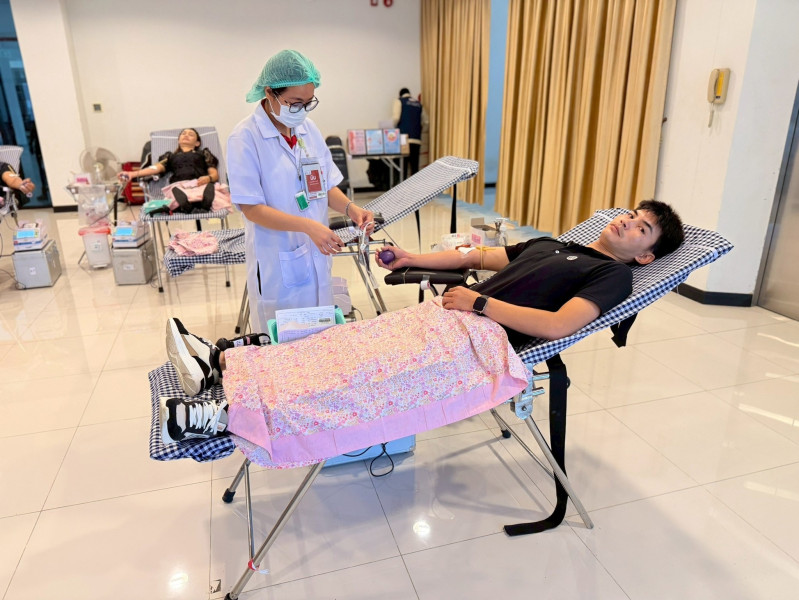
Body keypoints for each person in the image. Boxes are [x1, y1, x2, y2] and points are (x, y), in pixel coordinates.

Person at [159, 200, 684, 441]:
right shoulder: (551, 244)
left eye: (642, 229)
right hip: (451, 314)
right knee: (345, 342)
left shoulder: (612, 276)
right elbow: (478, 258)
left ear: (645, 256)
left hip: (482, 340)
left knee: (355, 374)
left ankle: (225, 415)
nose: (628, 223)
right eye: (631, 214)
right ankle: (222, 363)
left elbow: (558, 326)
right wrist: (412, 258)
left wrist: (480, 305)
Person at [226, 49, 374, 333]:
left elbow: (325, 185)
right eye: (295, 103)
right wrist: (308, 227)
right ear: (269, 93)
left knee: (319, 336)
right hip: (277, 260)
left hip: (316, 253)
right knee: (283, 341)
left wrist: (351, 209)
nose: (302, 111)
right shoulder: (245, 138)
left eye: (308, 103)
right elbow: (251, 208)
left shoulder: (308, 129)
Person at [117, 128, 226, 214]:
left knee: (210, 189)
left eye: (191, 134)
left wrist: (208, 178)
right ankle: (193, 206)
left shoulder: (204, 154)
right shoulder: (170, 157)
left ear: (197, 143)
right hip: (180, 186)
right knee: (175, 192)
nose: (186, 135)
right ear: (179, 140)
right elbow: (155, 168)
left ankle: (196, 205)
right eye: (183, 134)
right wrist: (132, 174)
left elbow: (214, 174)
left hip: (200, 184)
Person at [392, 88, 426, 180]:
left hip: (404, 139)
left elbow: (396, 118)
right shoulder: (419, 104)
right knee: (414, 167)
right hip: (416, 139)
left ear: (400, 95)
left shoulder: (399, 101)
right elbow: (425, 122)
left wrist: (392, 130)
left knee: (403, 167)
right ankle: (415, 187)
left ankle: (403, 187)